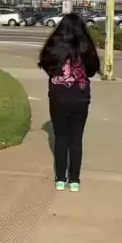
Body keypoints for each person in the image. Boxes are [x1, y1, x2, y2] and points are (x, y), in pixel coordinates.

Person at [38, 13, 100, 191]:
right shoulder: (86, 47)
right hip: (80, 96)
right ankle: (74, 180)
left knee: (61, 138)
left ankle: (60, 178)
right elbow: (92, 70)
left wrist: (58, 74)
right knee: (76, 139)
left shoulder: (54, 46)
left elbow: (45, 64)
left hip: (58, 96)